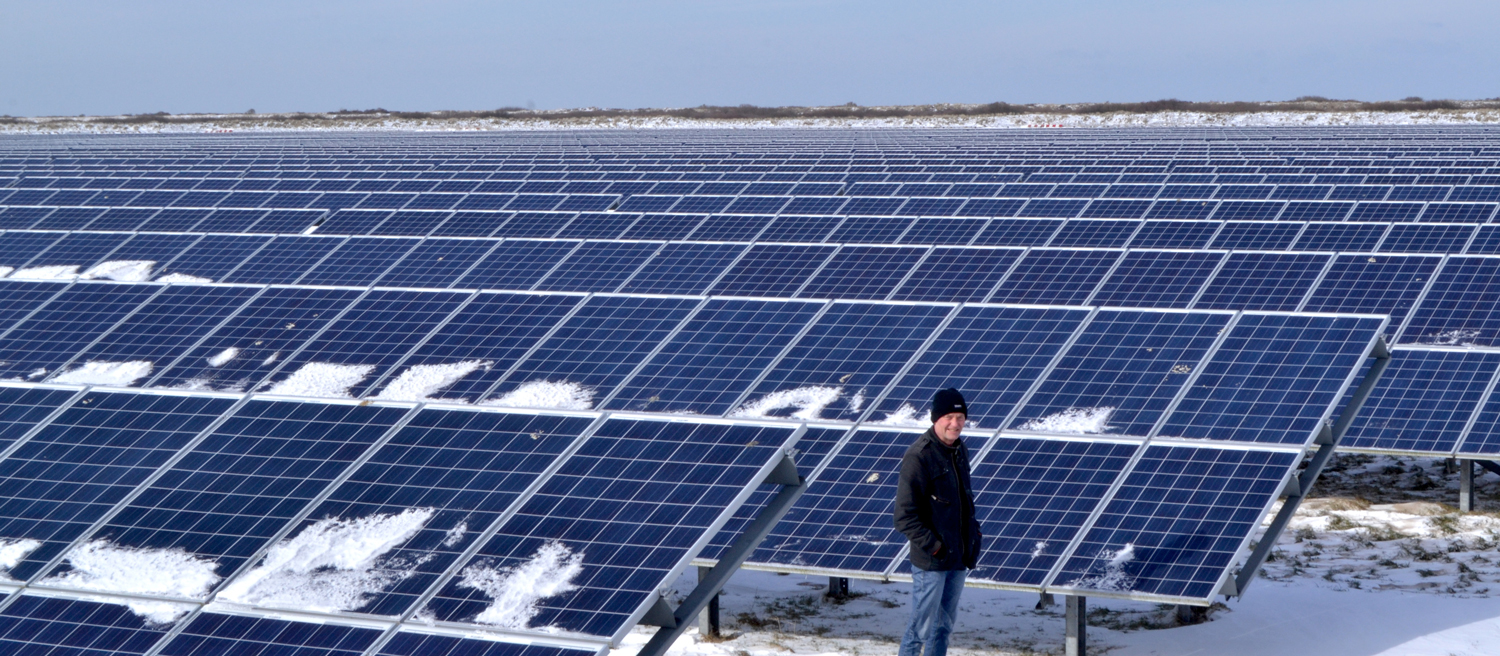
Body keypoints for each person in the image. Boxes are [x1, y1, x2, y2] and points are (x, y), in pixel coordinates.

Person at [893, 388, 981, 656]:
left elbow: (964, 501)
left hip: (958, 557)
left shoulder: (959, 451)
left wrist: (973, 537)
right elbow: (904, 516)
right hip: (932, 561)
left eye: (960, 417)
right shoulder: (919, 456)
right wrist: (934, 546)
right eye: (949, 417)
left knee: (943, 627)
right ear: (935, 418)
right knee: (920, 629)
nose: (955, 424)